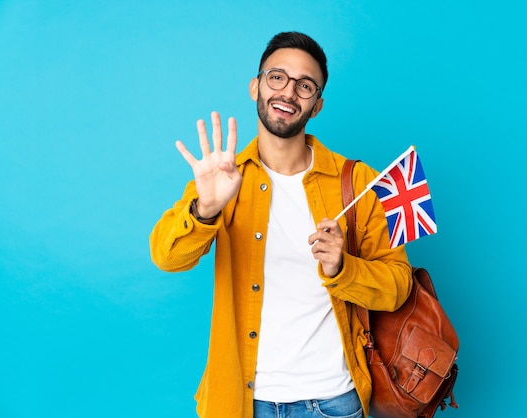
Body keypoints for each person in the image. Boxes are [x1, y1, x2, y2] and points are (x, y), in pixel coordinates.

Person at [149, 31, 412, 418]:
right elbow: (167, 257)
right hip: (241, 403)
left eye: (305, 86)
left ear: (317, 105)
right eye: (277, 77)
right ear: (256, 85)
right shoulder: (222, 178)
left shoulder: (357, 183)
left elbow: (398, 288)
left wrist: (343, 268)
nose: (288, 93)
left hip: (334, 403)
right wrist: (205, 210)